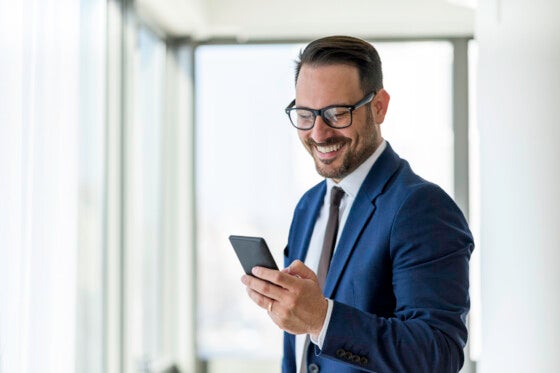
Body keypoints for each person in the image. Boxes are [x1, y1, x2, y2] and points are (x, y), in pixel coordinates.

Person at [241, 35, 474, 373]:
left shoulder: (421, 207)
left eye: (337, 113)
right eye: (305, 114)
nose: (318, 134)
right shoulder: (308, 206)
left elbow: (437, 354)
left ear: (379, 106)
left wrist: (322, 318)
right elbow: (300, 350)